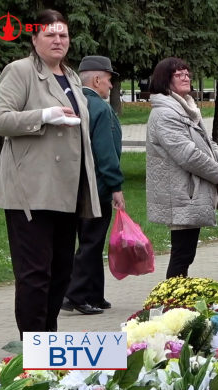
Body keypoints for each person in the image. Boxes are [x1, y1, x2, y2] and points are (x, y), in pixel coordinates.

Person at [0, 9, 101, 338]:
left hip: (68, 191)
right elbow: (0, 120)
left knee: (61, 273)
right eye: (50, 34)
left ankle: (48, 337)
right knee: (35, 274)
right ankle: (33, 347)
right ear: (34, 38)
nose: (57, 40)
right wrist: (44, 115)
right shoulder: (20, 71)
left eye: (63, 35)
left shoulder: (72, 78)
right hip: (31, 190)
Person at [146, 57, 218, 279]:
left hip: (189, 190)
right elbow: (188, 154)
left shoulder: (186, 108)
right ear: (165, 80)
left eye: (187, 73)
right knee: (182, 254)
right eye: (179, 74)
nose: (186, 78)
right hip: (180, 192)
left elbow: (207, 141)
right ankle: (172, 304)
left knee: (186, 253)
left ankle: (177, 302)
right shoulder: (165, 113)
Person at [62, 56, 124, 316]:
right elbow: (105, 151)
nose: (110, 86)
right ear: (97, 79)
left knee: (87, 240)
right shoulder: (99, 107)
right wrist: (115, 186)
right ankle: (75, 295)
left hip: (72, 185)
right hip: (96, 187)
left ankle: (94, 293)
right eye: (109, 80)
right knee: (91, 242)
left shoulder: (72, 102)